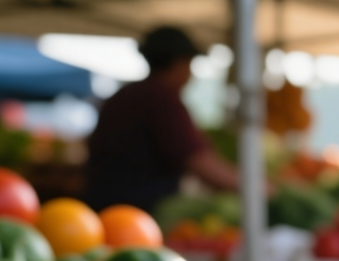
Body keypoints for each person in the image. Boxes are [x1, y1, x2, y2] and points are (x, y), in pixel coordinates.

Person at [85, 26, 242, 212]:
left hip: (104, 205)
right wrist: (256, 188)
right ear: (178, 63)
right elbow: (198, 161)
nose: (190, 74)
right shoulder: (162, 99)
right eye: (189, 63)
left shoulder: (125, 95)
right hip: (138, 210)